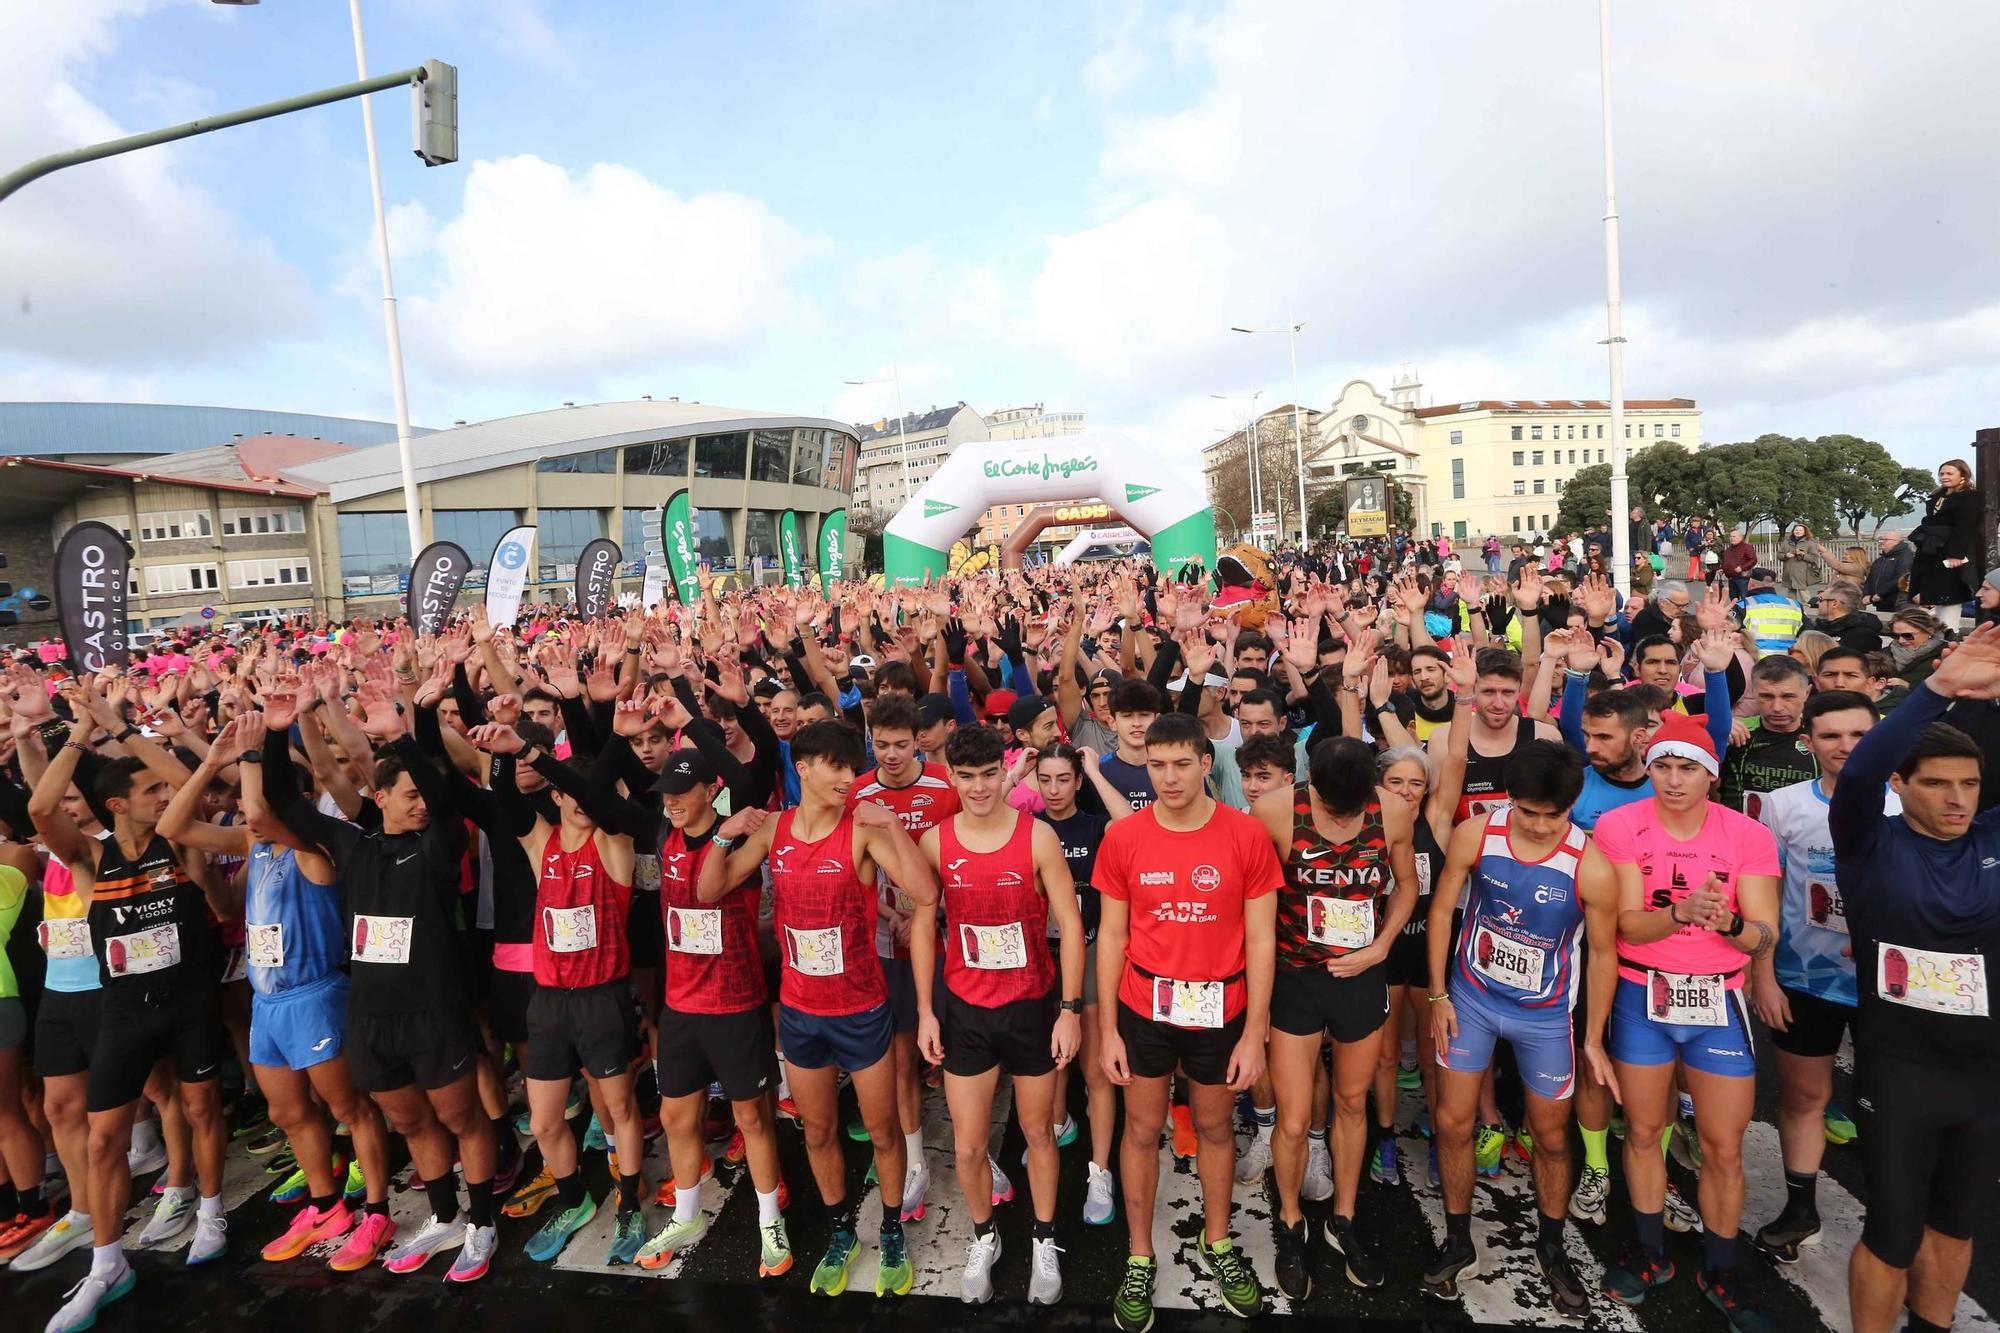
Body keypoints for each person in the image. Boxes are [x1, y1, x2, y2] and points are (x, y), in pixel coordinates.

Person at [261, 706, 502, 1283]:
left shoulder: (441, 844)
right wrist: (274, 733)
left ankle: (483, 1222)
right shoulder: (352, 846)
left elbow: (446, 802)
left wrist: (403, 738)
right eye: (408, 795)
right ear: (383, 798)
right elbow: (283, 800)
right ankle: (444, 1215)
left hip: (435, 1011)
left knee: (462, 1117)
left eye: (423, 793)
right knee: (412, 1123)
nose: (419, 802)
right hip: (373, 1016)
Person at [697, 720, 935, 1300]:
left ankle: (890, 1228)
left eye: (854, 767)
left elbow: (925, 893)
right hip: (802, 1014)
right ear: (803, 768)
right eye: (838, 767)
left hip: (861, 1010)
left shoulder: (861, 831)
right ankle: (839, 1230)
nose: (850, 778)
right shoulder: (774, 829)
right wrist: (725, 835)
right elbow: (708, 891)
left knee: (882, 1132)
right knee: (820, 1129)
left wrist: (895, 828)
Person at [154, 715, 397, 1271]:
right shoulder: (253, 844)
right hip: (268, 1003)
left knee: (348, 1108)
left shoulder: (316, 850)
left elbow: (262, 809)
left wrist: (251, 756)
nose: (247, 809)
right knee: (291, 1113)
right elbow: (175, 826)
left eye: (256, 795)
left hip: (316, 994)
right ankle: (326, 1207)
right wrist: (213, 761)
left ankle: (378, 1212)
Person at [31, 694, 235, 1333]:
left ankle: (209, 1210)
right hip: (122, 1011)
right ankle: (107, 1263)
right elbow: (41, 807)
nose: (159, 793)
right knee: (103, 1137)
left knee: (201, 1108)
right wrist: (79, 735)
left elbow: (188, 785)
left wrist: (122, 730)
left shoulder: (183, 844)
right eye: (145, 789)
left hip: (190, 1001)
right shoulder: (91, 857)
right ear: (115, 805)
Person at [1831, 623, 2000, 1333]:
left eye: (1969, 784)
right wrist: (1937, 689)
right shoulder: (1870, 839)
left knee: (1957, 1226)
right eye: (1937, 784)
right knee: (1894, 1233)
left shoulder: (1990, 839)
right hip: (1899, 1066)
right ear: (1903, 786)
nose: (1957, 799)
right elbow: (1865, 766)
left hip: (1984, 1070)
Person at [1593, 713, 1782, 1333]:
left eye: (1688, 769)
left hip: (1716, 1001)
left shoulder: (1747, 835)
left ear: (1711, 774)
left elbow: (1761, 934)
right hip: (1641, 992)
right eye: (1663, 767)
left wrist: (1725, 923)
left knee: (1724, 1147)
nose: (1673, 781)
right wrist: (1679, 914)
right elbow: (1625, 923)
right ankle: (1651, 1255)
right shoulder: (1622, 825)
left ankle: (1721, 1266)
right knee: (1644, 1132)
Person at [1097, 713, 1284, 1332]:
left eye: (1182, 763)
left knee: (1213, 1127)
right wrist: (1108, 1029)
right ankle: (1140, 1255)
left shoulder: (1246, 835)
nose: (1169, 777)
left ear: (1208, 763)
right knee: (1142, 1129)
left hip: (1219, 1008)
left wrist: (1255, 1032)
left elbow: (1262, 941)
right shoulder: (1125, 837)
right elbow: (1111, 937)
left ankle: (1220, 1241)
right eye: (1157, 765)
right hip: (1143, 1008)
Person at [1423, 739, 1617, 1316]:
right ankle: (1459, 1239)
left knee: (1552, 1137)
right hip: (1472, 999)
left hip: (1545, 1016)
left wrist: (1593, 1037)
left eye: (1549, 816)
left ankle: (1552, 1247)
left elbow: (1604, 954)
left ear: (1570, 809)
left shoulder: (1592, 866)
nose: (1534, 826)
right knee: (1453, 1122)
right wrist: (1437, 995)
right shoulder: (1478, 834)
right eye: (1525, 811)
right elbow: (1441, 910)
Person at [911, 724, 1085, 1306]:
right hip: (967, 1012)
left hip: (1032, 1007)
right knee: (966, 1145)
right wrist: (926, 1012)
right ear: (952, 778)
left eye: (990, 774)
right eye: (968, 777)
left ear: (1003, 773)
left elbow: (1072, 925)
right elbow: (921, 926)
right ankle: (984, 1236)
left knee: (1038, 1132)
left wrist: (1069, 1010)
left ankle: (1042, 1237)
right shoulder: (936, 842)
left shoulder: (1037, 839)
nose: (981, 787)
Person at [1253, 735, 1419, 1298]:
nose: (1344, 821)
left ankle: (1343, 1217)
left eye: (1352, 813)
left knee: (1352, 1101)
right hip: (1296, 977)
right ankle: (1291, 1218)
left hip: (1360, 976)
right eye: (1332, 811)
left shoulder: (1394, 809)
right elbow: (1256, 899)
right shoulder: (1275, 810)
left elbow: (1408, 884)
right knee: (1295, 1117)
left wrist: (1382, 946)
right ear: (1311, 787)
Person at [1748, 691, 1893, 1266]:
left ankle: (1891, 1215)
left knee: (1887, 1104)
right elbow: (1765, 894)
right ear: (1808, 742)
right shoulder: (1781, 805)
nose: (1845, 748)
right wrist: (1764, 974)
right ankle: (1800, 1206)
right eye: (1831, 736)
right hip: (1804, 979)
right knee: (1805, 1096)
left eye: (1859, 735)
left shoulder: (1907, 804)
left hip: (1888, 986)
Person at [844, 694, 959, 1223]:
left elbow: (962, 855)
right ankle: (915, 1160)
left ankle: (970, 1149)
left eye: (900, 744)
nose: (890, 754)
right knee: (901, 1054)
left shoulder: (944, 786)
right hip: (884, 943)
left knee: (956, 1052)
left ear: (920, 740)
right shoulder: (860, 793)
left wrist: (932, 913)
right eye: (881, 744)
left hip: (943, 938)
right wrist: (890, 915)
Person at [1032, 742, 1129, 1227]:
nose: (1053, 790)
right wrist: (1013, 779)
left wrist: (1094, 769)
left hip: (1089, 953)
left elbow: (1129, 824)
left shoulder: (1095, 827)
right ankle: (1054, 1127)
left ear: (1077, 782)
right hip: (1036, 958)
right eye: (1044, 779)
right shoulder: (1025, 828)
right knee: (1049, 1062)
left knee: (1095, 1070)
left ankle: (1100, 1169)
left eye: (1064, 779)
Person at [1719, 655, 1819, 819]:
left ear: (1807, 693)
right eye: (1766, 696)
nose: (1777, 707)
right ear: (1753, 692)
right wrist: (1716, 730)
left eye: (1788, 697)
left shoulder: (1822, 736)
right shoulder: (1736, 730)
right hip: (1741, 838)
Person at [1907, 459, 1982, 629]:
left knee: (1949, 596)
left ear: (1962, 475)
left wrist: (1956, 553)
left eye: (1949, 473)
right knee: (1935, 597)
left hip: (1948, 551)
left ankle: (1949, 635)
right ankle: (1941, 636)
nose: (1944, 477)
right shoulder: (1937, 496)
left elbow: (1965, 526)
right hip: (1931, 550)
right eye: (1942, 473)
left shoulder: (1967, 497)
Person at [1738, 568, 1803, 659]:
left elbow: (1732, 634)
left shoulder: (1743, 605)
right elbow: (1808, 635)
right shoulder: (1795, 605)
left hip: (1755, 661)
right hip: (1788, 661)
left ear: (1751, 584)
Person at [1811, 582, 1886, 656]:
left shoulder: (1863, 636)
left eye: (1821, 599)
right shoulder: (1820, 627)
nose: (1817, 603)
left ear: (1835, 604)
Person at [1886, 609, 1948, 688]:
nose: (1901, 641)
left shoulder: (1947, 655)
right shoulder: (1884, 654)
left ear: (1929, 631)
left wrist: (1910, 686)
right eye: (1896, 636)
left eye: (1908, 635)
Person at [1859, 531, 1914, 613]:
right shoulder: (1880, 560)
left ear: (1896, 542)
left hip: (1896, 603)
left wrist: (1880, 593)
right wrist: (1866, 594)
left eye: (1885, 540)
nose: (1881, 542)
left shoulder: (1906, 557)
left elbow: (1901, 577)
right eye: (1881, 540)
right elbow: (1870, 578)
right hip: (1880, 602)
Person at [1779, 525, 1820, 602]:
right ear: (1793, 531)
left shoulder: (1809, 543)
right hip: (1789, 571)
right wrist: (1786, 555)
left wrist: (1803, 555)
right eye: (1796, 530)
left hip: (1802, 572)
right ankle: (1793, 610)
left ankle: (1808, 610)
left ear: (1805, 532)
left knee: (1804, 593)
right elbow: (1779, 555)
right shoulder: (1786, 542)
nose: (1798, 532)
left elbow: (1814, 558)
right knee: (1791, 595)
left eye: (1800, 530)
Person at [1719, 530, 1758, 600]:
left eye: (1734, 536)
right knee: (1733, 598)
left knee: (1745, 597)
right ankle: (1735, 611)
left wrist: (1742, 568)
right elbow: (1725, 561)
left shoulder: (1747, 547)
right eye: (1730, 536)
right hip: (1731, 578)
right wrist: (1722, 569)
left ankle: (1745, 611)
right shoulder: (1728, 550)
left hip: (1742, 578)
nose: (1731, 538)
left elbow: (1753, 560)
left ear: (1740, 537)